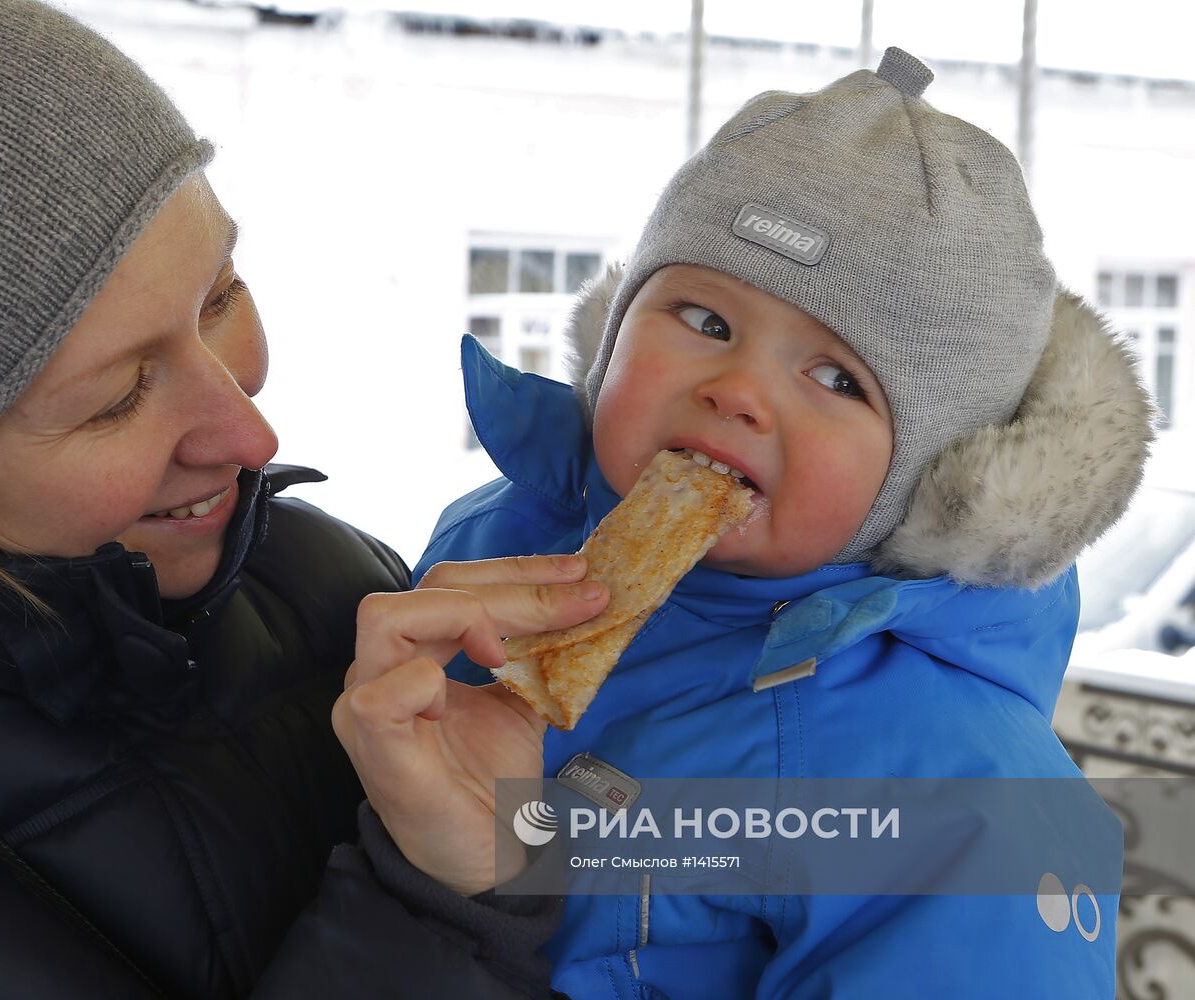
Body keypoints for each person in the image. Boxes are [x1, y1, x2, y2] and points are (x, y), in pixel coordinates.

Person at [416, 48, 1155, 997]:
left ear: (934, 484)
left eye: (838, 378)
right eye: (704, 320)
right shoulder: (485, 552)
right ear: (611, 336)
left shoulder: (956, 804)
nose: (736, 392)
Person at [0, 2, 611, 997]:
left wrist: (535, 834)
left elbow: (608, 916)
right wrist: (430, 898)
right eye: (115, 399)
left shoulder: (332, 579)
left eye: (221, 295)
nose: (253, 437)